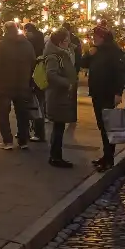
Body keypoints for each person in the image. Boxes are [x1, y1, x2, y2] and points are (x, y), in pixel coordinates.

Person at [80, 25, 125, 171]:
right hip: (97, 92)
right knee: (102, 126)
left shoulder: (113, 51)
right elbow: (83, 64)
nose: (93, 39)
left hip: (108, 93)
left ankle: (109, 159)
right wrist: (89, 54)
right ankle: (106, 156)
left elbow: (120, 73)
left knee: (108, 127)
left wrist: (118, 93)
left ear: (103, 37)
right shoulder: (96, 50)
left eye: (95, 37)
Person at [0, 22, 37, 150]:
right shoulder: (27, 45)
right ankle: (23, 140)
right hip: (22, 84)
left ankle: (7, 140)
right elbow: (33, 63)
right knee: (22, 113)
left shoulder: (1, 46)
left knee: (4, 114)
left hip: (5, 85)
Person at [43, 28, 78, 168]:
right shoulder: (53, 56)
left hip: (62, 96)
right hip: (57, 96)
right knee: (58, 127)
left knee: (59, 126)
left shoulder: (64, 52)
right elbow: (51, 74)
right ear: (60, 42)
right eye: (66, 39)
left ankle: (56, 156)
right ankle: (55, 157)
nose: (69, 41)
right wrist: (67, 83)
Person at [23, 21, 47, 142]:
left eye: (26, 31)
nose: (25, 34)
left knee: (34, 106)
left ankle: (34, 132)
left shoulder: (29, 46)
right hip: (39, 81)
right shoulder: (41, 47)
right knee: (37, 106)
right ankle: (33, 131)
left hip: (32, 80)